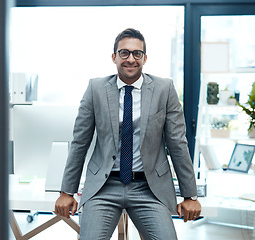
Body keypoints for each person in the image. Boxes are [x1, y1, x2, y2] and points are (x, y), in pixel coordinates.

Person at [55, 28, 201, 240]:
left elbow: (178, 143)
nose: (130, 59)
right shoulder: (95, 88)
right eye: (124, 53)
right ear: (114, 57)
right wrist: (67, 192)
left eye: (137, 54)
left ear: (145, 58)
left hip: (149, 188)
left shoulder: (164, 89)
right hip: (104, 187)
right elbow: (80, 142)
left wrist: (190, 195)